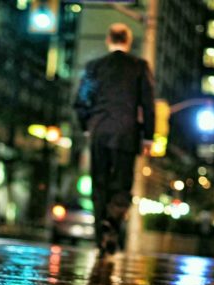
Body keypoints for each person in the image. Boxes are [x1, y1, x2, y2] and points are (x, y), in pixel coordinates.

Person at [74, 23, 155, 256]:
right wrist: (148, 137)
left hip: (99, 131)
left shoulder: (94, 67)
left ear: (108, 40)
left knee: (99, 184)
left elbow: (81, 101)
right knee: (121, 183)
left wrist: (87, 127)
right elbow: (148, 105)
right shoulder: (139, 67)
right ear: (128, 41)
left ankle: (101, 237)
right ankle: (112, 220)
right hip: (126, 133)